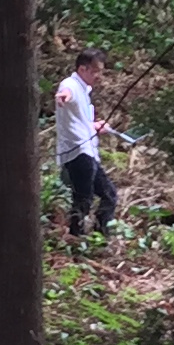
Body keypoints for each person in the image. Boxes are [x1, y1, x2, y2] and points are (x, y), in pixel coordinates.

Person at [53, 49, 118, 241]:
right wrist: (62, 97)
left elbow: (79, 120)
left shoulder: (84, 90)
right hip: (77, 151)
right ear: (83, 69)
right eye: (96, 71)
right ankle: (76, 236)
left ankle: (100, 235)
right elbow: (66, 93)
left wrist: (95, 126)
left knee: (109, 194)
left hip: (88, 152)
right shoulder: (70, 84)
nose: (99, 76)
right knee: (83, 197)